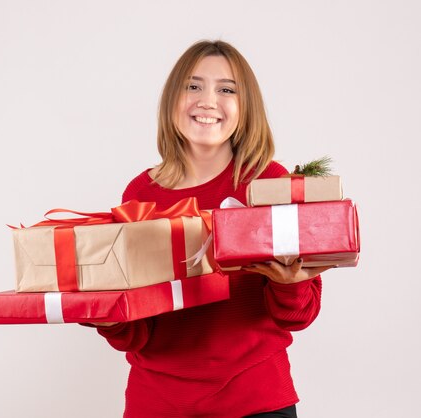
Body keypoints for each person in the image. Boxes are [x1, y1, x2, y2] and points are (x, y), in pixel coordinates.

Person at [90, 40, 330, 417]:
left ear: (244, 105)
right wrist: (107, 316)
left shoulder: (269, 183)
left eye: (226, 89)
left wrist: (290, 282)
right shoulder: (140, 194)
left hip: (255, 400)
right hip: (157, 404)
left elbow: (298, 315)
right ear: (173, 99)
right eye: (193, 85)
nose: (207, 100)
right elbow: (136, 333)